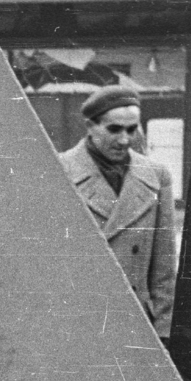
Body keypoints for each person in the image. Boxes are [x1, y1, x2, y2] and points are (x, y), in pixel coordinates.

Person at [57, 85, 178, 337]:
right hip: (81, 325)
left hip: (137, 324)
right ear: (90, 126)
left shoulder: (157, 176)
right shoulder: (59, 172)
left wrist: (165, 332)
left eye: (131, 129)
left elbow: (164, 271)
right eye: (114, 129)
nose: (124, 139)